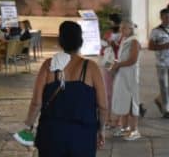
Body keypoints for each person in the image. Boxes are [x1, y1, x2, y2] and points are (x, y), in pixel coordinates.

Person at [15, 21, 108, 154]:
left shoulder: (48, 65)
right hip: (82, 137)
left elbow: (36, 103)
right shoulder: (91, 68)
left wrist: (29, 126)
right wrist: (101, 129)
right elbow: (103, 106)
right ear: (80, 41)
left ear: (60, 42)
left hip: (51, 135)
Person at [110, 20, 142, 141]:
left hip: (131, 75)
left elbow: (133, 60)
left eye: (124, 28)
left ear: (130, 29)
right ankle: (124, 127)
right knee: (124, 99)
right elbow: (122, 57)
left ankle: (134, 130)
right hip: (123, 74)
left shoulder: (134, 41)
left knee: (132, 101)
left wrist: (118, 65)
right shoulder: (125, 40)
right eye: (121, 28)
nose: (122, 30)